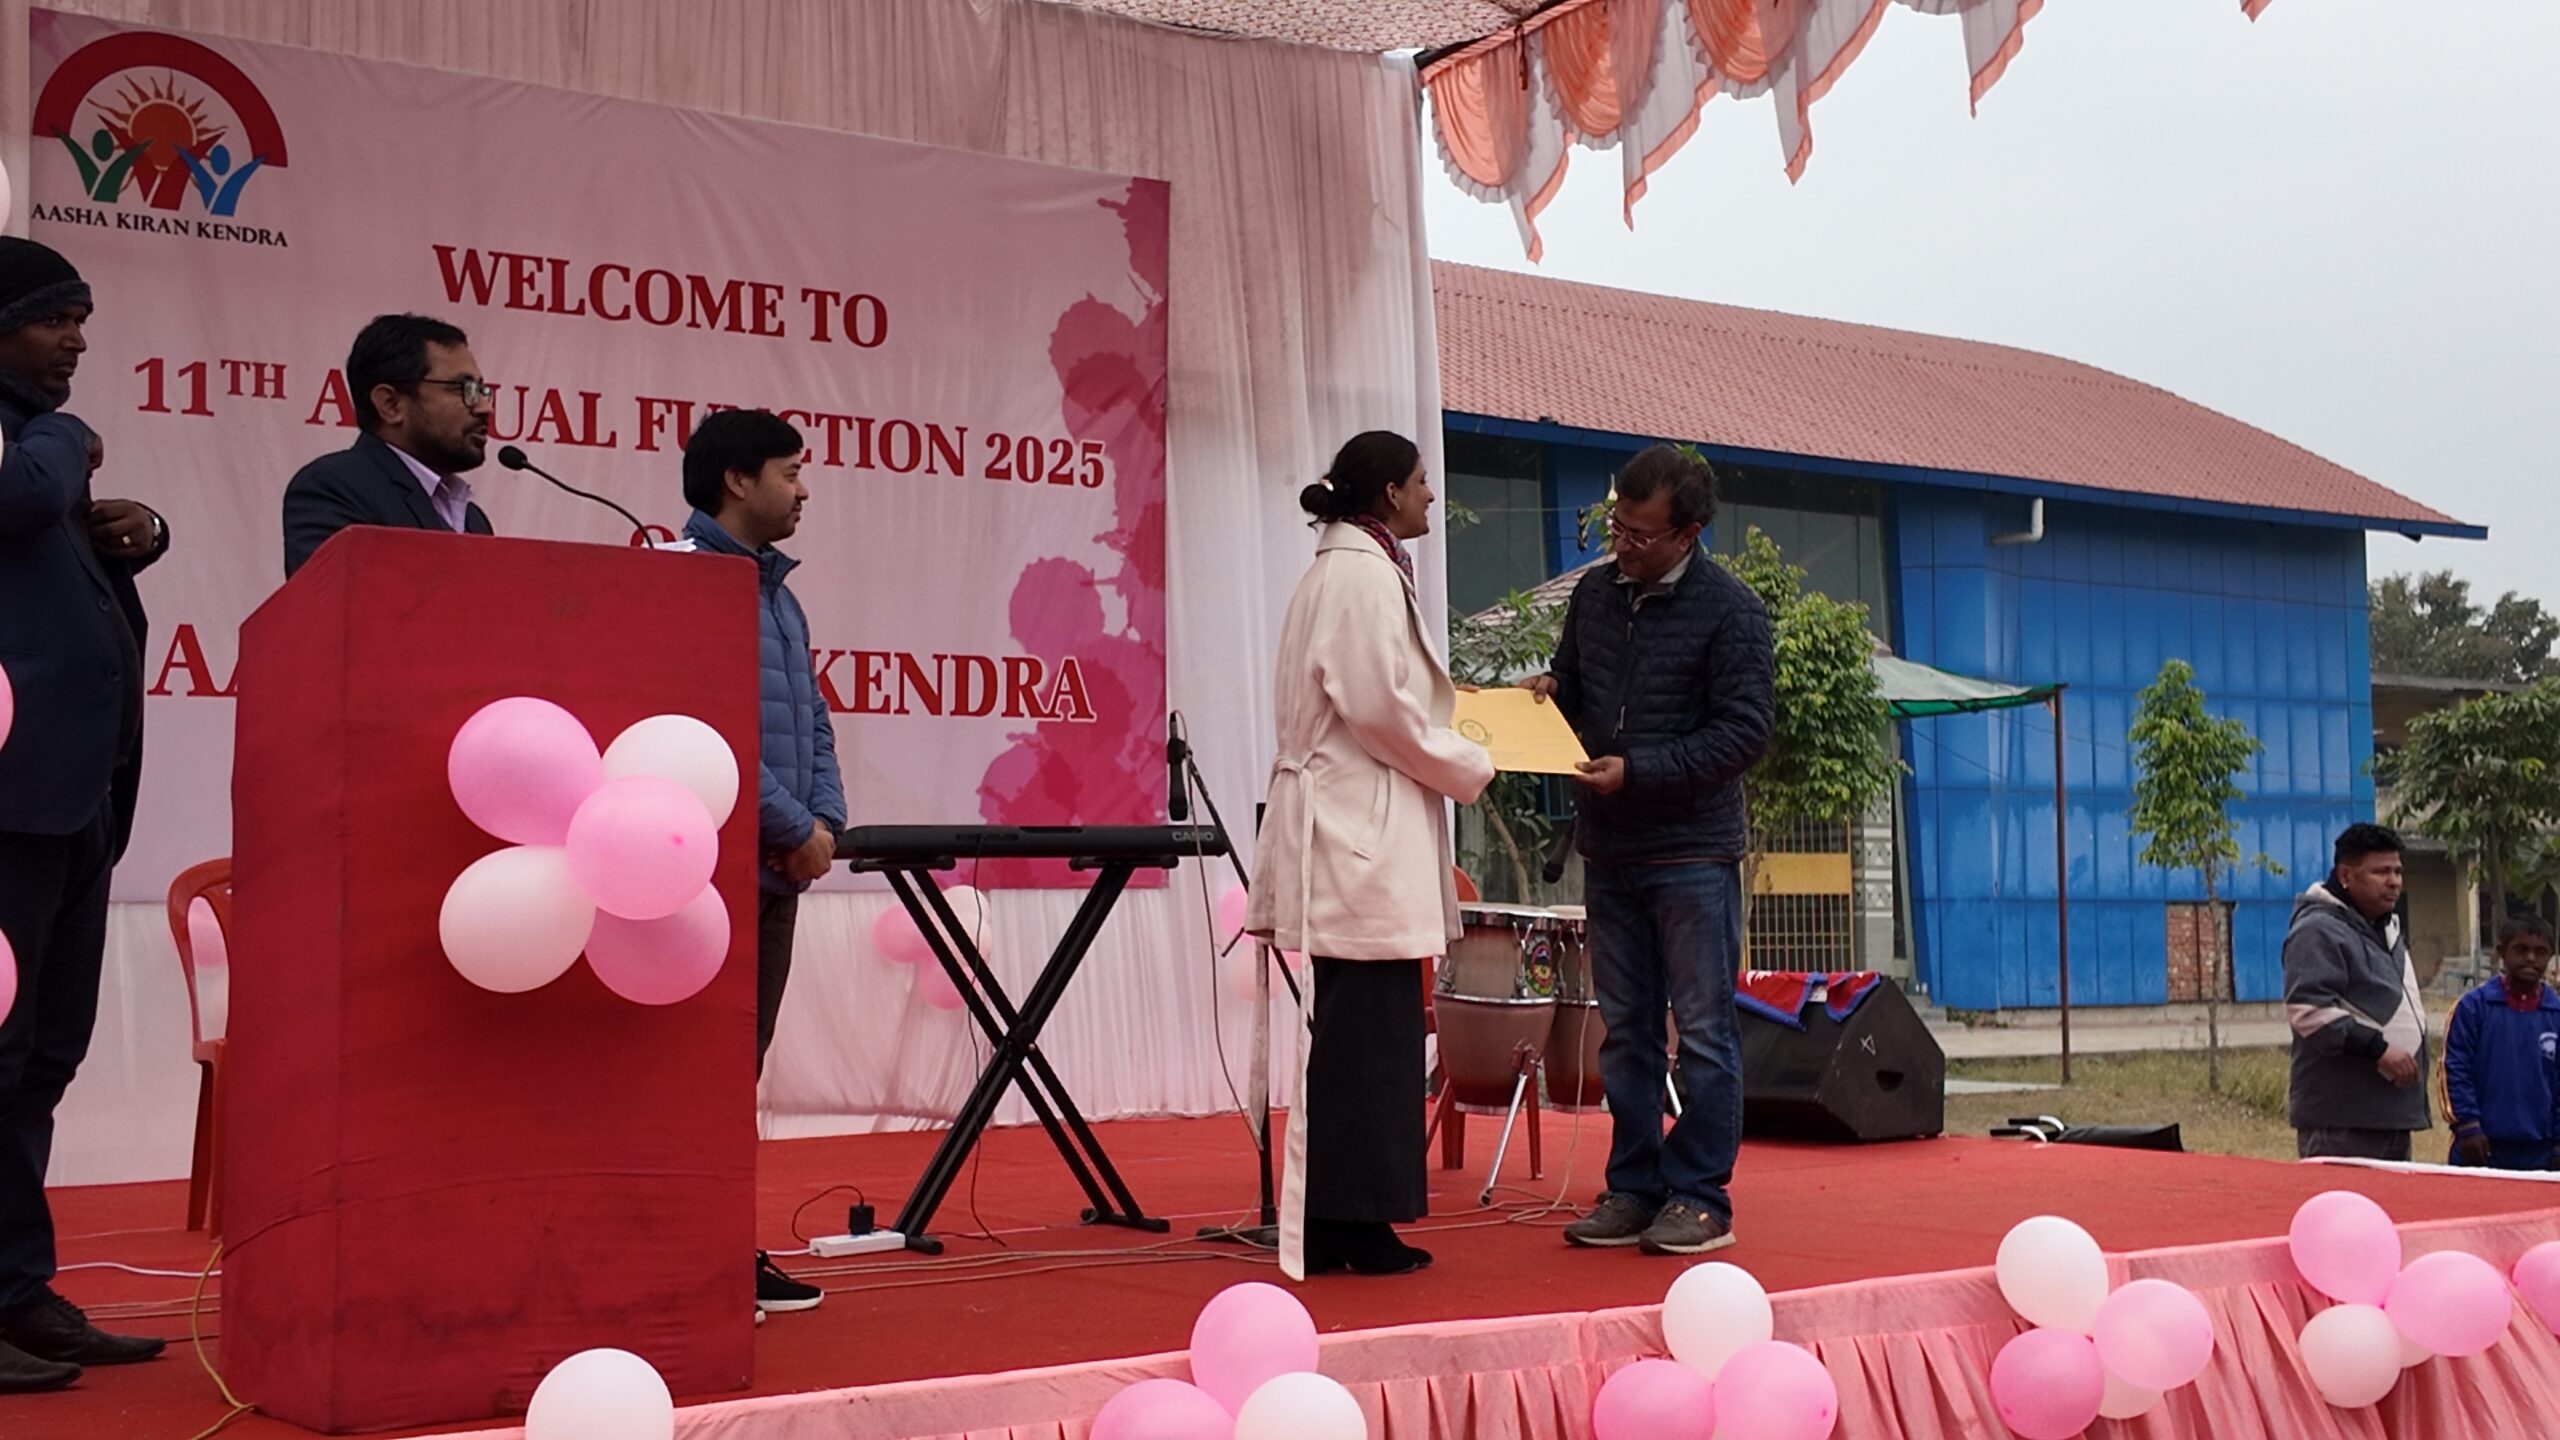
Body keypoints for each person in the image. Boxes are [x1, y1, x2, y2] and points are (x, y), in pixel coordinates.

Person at [1247, 430, 1492, 1279]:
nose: (1431, 495)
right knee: (1370, 1038)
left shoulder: (1354, 569)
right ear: (1389, 492)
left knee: (1368, 1033)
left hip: (1355, 822)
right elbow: (1380, 709)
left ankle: (1343, 1217)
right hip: (1355, 828)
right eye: (1422, 482)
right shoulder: (1359, 575)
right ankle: (1350, 1221)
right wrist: (1469, 761)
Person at [1525, 443, 1774, 1256]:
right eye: (1616, 529)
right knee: (1626, 1030)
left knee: (1702, 1031)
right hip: (1610, 848)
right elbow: (1573, 682)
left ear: (1688, 534)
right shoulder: (1595, 594)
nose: (1622, 547)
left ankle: (1700, 1196)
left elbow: (1744, 733)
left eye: (1640, 535)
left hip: (1692, 853)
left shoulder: (1732, 611)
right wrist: (1549, 693)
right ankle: (1632, 1186)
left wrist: (1639, 771)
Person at [0, 237, 172, 1392]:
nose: (77, 340)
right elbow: (19, 500)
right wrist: (69, 442)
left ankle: (16, 1289)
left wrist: (137, 535)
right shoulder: (33, 441)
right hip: (9, 803)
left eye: (83, 319)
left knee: (43, 1058)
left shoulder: (36, 437)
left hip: (72, 801)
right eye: (56, 317)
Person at [676, 409, 844, 1315]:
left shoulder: (780, 595)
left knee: (738, 1068)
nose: (803, 490)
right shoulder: (684, 583)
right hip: (706, 878)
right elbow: (710, 734)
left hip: (776, 871)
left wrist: (826, 822)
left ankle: (722, 1251)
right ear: (737, 480)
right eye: (789, 471)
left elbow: (812, 719)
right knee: (694, 1077)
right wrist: (791, 825)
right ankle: (690, 1261)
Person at [281, 314, 494, 577]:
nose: (485, 407)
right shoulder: (335, 488)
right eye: (463, 389)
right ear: (390, 405)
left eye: (482, 390)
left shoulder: (474, 521)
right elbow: (338, 598)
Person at [2283, 823, 2430, 1161]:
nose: (2394, 881)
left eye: (2397, 871)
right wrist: (2379, 1049)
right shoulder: (2318, 929)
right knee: (2345, 1198)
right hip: (2342, 1120)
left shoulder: (2385, 927)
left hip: (2390, 1114)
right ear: (2345, 875)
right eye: (2381, 872)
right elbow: (2308, 1012)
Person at [2440, 915, 2560, 1171]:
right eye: (2521, 950)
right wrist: (2467, 1124)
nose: (2530, 958)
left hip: (2541, 1152)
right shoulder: (2473, 1007)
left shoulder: (2556, 1013)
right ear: (2502, 952)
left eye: (2540, 952)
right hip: (2479, 1146)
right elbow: (2454, 1069)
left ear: (2551, 956)